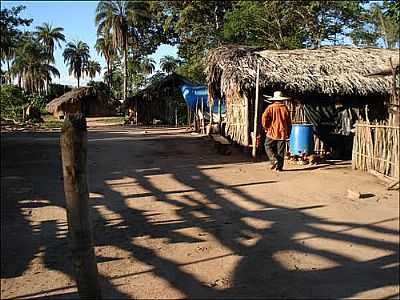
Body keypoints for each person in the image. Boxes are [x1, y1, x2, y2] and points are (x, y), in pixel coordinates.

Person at [261, 91, 292, 171]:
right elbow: (289, 122)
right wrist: (288, 132)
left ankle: (273, 159)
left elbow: (264, 118)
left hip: (272, 131)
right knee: (280, 150)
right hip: (282, 132)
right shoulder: (285, 108)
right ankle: (279, 167)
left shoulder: (270, 107)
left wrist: (266, 127)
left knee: (267, 145)